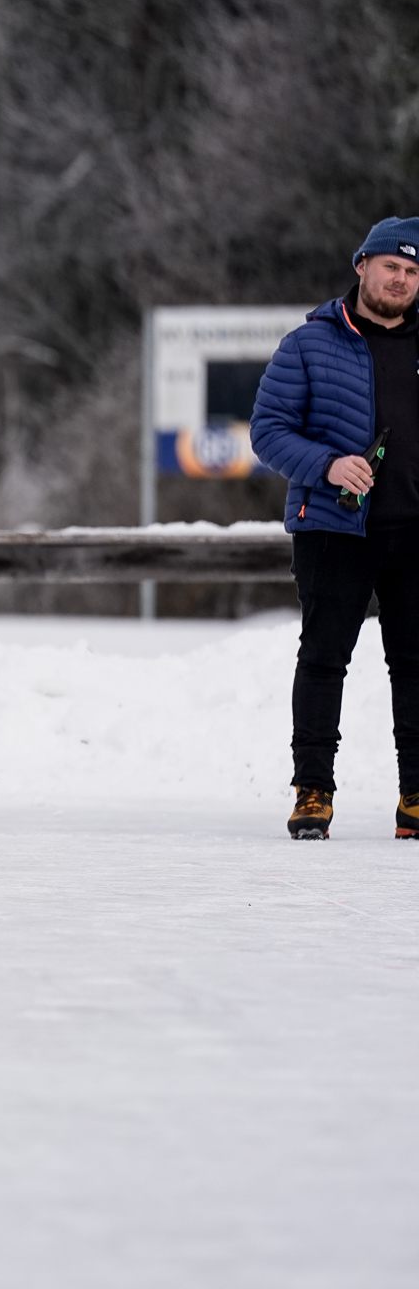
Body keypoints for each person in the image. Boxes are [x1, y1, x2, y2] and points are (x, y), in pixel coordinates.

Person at [251, 216, 419, 840]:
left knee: (415, 665)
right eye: (391, 266)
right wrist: (326, 465)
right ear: (362, 266)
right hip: (333, 527)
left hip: (415, 533)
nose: (400, 280)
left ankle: (416, 797)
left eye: (412, 272)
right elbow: (267, 430)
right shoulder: (308, 344)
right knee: (324, 661)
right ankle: (312, 792)